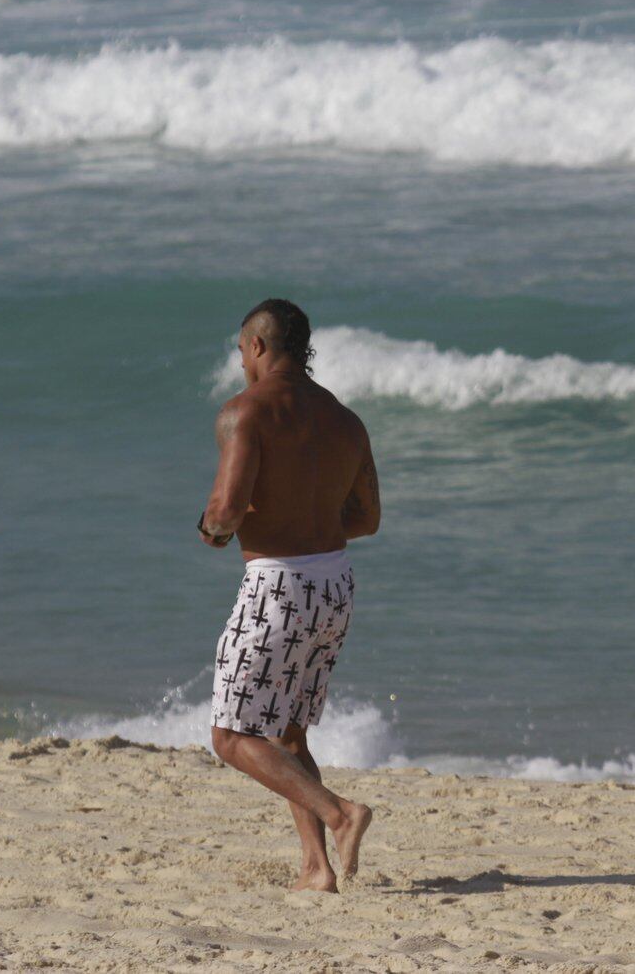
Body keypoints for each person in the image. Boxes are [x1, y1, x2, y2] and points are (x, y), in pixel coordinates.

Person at [199, 298, 381, 893]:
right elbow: (366, 518)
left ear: (255, 346)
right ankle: (316, 868)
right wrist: (305, 523)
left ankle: (340, 813)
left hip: (278, 585)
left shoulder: (244, 413)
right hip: (335, 584)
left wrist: (214, 531)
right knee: (288, 734)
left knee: (230, 736)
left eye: (241, 352)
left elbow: (224, 514)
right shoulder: (346, 420)